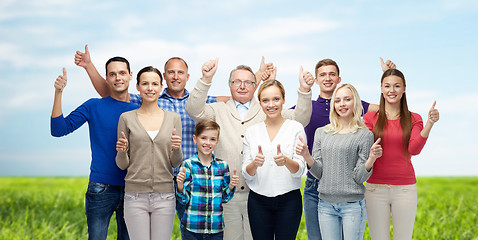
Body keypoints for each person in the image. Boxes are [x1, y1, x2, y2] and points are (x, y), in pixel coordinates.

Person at [74, 46, 259, 223]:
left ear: (187, 77)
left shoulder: (202, 103)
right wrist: (89, 66)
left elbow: (239, 95)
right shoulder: (148, 98)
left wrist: (257, 78)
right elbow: (112, 93)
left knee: (195, 229)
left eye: (180, 73)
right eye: (171, 72)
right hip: (159, 180)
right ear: (164, 77)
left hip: (191, 178)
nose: (176, 76)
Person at [185, 58, 314, 240]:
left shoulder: (267, 107)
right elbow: (193, 110)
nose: (242, 86)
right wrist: (205, 79)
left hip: (258, 194)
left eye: (248, 82)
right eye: (237, 81)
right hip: (228, 195)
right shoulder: (217, 110)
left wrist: (304, 91)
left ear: (256, 85)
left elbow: (300, 118)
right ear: (229, 84)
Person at [300, 58, 395, 240]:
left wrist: (388, 76)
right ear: (316, 79)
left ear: (339, 78)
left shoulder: (358, 112)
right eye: (323, 74)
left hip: (350, 192)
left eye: (332, 74)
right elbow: (275, 111)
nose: (328, 78)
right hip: (317, 187)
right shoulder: (307, 108)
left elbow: (388, 109)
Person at [50, 57, 138, 240]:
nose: (118, 78)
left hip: (133, 189)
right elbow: (58, 130)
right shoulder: (93, 106)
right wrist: (58, 92)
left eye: (122, 73)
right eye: (112, 74)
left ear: (130, 76)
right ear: (106, 78)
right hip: (101, 188)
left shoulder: (140, 110)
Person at [363, 69, 439, 240]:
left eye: (397, 86)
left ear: (404, 89)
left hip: (405, 189)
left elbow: (414, 149)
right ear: (381, 89)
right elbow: (363, 149)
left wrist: (429, 124)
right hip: (375, 189)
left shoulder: (414, 118)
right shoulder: (370, 118)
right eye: (387, 86)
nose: (392, 90)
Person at [115, 66, 182, 240]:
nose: (150, 88)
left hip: (165, 196)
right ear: (137, 86)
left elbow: (175, 163)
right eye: (145, 83)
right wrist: (122, 152)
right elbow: (122, 164)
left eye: (154, 84)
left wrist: (176, 149)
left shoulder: (173, 118)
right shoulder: (126, 118)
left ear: (161, 87)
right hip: (134, 197)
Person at [242, 79, 307, 239]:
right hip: (258, 200)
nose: (271, 104)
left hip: (289, 200)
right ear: (260, 103)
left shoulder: (295, 128)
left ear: (284, 100)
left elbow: (300, 170)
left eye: (276, 99)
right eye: (265, 100)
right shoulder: (252, 132)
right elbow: (247, 173)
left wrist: (286, 161)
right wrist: (255, 165)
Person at [176, 119, 240, 240]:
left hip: (215, 229)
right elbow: (183, 200)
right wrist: (179, 185)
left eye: (212, 139)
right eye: (203, 138)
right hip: (192, 228)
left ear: (217, 142)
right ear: (195, 139)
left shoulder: (223, 166)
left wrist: (231, 186)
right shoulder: (188, 165)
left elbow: (225, 198)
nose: (208, 143)